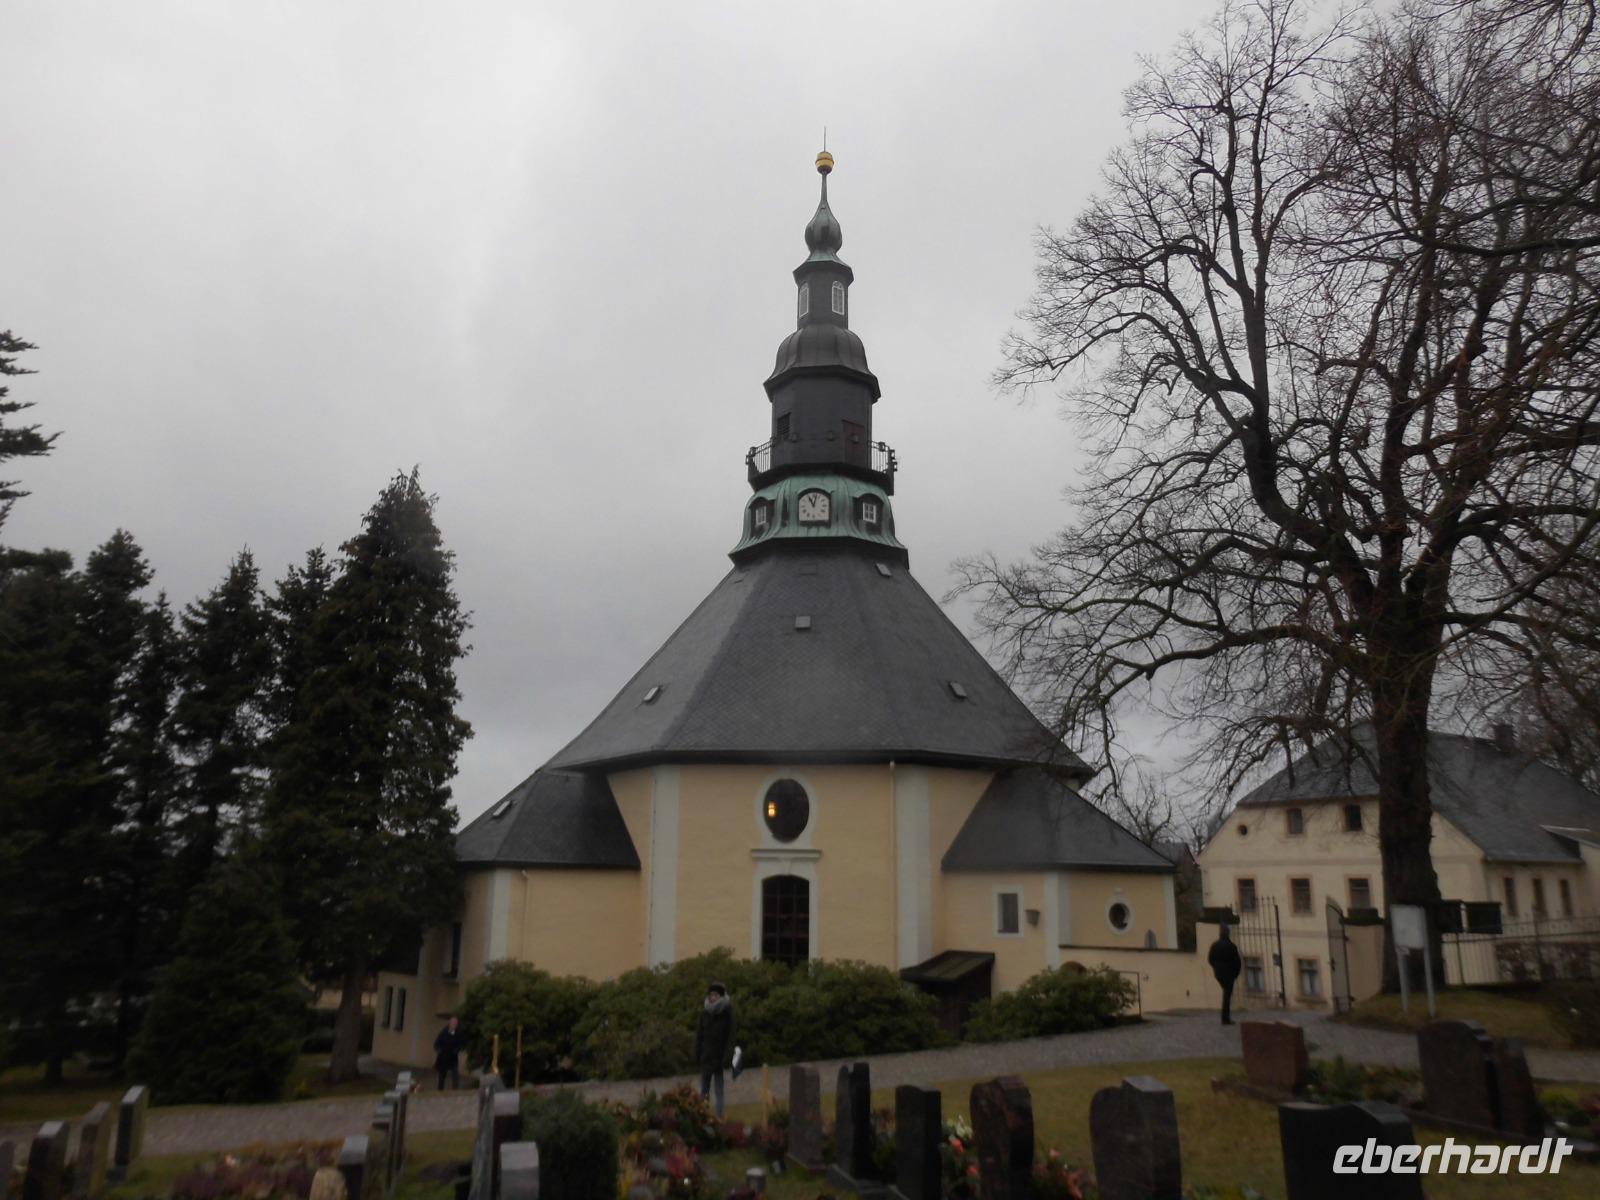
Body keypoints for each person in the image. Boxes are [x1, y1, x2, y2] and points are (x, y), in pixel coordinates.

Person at [694, 981, 735, 1118]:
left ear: (721, 996)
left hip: (719, 1058)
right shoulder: (705, 1013)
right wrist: (697, 1053)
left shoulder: (727, 1014)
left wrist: (727, 1056)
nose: (713, 997)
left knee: (719, 1090)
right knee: (704, 1090)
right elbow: (699, 1035)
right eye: (711, 995)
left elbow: (730, 1037)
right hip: (706, 1057)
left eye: (715, 995)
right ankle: (702, 1116)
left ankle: (720, 1116)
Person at [1207, 924, 1243, 1025]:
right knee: (1227, 996)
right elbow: (1237, 962)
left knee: (1226, 994)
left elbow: (1210, 959)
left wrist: (1216, 967)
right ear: (1228, 934)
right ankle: (1225, 1018)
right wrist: (1235, 974)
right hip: (1229, 974)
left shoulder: (1215, 945)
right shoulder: (1231, 946)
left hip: (1218, 973)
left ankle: (1225, 1018)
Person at [433, 1014, 466, 1090]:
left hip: (453, 1058)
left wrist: (456, 1050)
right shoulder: (443, 1033)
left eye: (456, 1023)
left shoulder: (458, 1034)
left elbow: (461, 1044)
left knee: (455, 1074)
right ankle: (440, 1092)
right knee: (442, 1076)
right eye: (453, 1023)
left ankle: (455, 1091)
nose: (454, 1024)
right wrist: (439, 1051)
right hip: (443, 1058)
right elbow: (436, 1044)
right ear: (449, 1023)